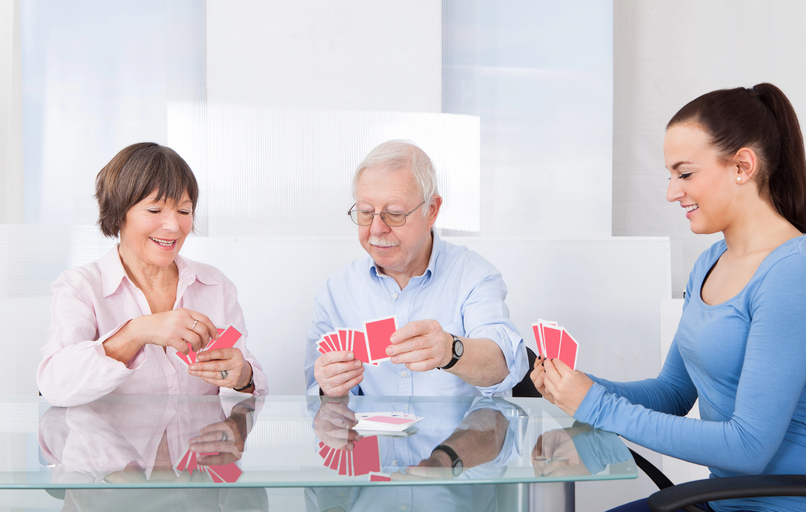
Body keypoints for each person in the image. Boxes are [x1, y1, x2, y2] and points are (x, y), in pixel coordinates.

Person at [532, 84, 806, 512]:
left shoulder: (794, 273)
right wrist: (581, 387)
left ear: (742, 166)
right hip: (728, 502)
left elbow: (748, 446)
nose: (673, 192)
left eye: (685, 173)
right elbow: (672, 394)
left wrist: (596, 406)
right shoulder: (711, 262)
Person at [38, 142, 267, 406]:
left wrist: (244, 379)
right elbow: (55, 386)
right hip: (111, 445)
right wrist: (136, 332)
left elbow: (245, 398)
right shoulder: (80, 287)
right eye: (155, 210)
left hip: (198, 445)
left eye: (184, 211)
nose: (173, 226)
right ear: (118, 212)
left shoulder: (215, 286)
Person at [305, 139, 527, 397]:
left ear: (431, 210)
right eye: (366, 212)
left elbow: (503, 367)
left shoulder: (475, 277)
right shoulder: (336, 291)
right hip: (370, 435)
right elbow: (313, 393)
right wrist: (327, 388)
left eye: (395, 213)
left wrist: (449, 350)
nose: (377, 228)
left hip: (461, 437)